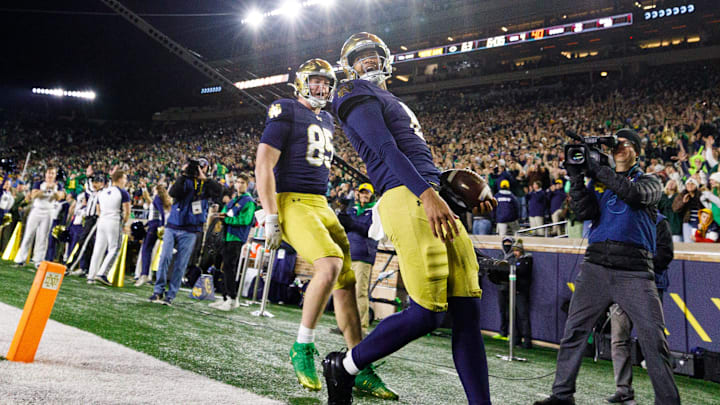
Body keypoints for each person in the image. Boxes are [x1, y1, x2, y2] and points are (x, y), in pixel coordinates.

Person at [323, 32, 492, 405]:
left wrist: (450, 185)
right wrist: (427, 194)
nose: (368, 61)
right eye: (360, 57)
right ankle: (346, 366)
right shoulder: (351, 91)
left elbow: (413, 155)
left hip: (427, 192)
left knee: (467, 310)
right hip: (407, 196)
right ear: (349, 66)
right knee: (428, 312)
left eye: (373, 55)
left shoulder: (392, 98)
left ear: (386, 59)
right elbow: (384, 149)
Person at [254, 58, 394, 399]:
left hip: (321, 202)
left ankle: (358, 364)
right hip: (293, 200)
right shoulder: (284, 108)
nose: (322, 88)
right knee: (329, 265)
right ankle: (302, 346)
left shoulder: (327, 118)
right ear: (302, 82)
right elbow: (263, 162)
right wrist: (271, 214)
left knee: (345, 282)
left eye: (326, 83)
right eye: (315, 81)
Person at [535, 128, 680, 405]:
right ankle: (562, 395)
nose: (619, 147)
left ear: (637, 151)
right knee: (574, 331)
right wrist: (577, 178)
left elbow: (633, 194)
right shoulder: (599, 182)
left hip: (634, 270)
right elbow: (585, 212)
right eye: (617, 144)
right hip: (596, 265)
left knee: (653, 339)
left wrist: (598, 170)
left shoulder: (651, 181)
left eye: (626, 144)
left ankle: (669, 402)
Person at [607, 212, 674, 404]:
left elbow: (665, 255)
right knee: (618, 339)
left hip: (648, 286)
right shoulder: (620, 219)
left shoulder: (660, 222)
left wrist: (636, 263)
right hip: (621, 286)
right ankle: (623, 389)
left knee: (654, 342)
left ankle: (664, 396)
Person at [150, 159, 222, 305]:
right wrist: (183, 174)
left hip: (191, 229)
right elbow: (173, 192)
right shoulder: (184, 180)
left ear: (207, 168)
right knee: (164, 258)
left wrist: (205, 178)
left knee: (181, 263)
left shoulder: (207, 184)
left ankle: (170, 295)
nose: (198, 170)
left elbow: (219, 191)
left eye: (202, 167)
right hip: (173, 225)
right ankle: (158, 290)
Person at [209, 173, 256, 311]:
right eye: (238, 182)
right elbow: (225, 212)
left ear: (247, 185)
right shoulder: (235, 199)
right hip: (226, 236)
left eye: (242, 182)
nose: (239, 184)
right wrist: (220, 215)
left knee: (230, 267)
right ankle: (225, 297)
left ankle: (232, 298)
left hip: (236, 237)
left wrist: (227, 219)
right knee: (225, 267)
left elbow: (245, 220)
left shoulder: (248, 201)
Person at [337, 182, 378, 334]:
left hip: (363, 256)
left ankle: (361, 327)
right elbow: (345, 227)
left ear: (371, 195)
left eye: (367, 193)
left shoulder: (375, 211)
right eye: (362, 192)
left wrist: (351, 223)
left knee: (360, 292)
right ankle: (344, 325)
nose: (364, 195)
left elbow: (369, 230)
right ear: (358, 194)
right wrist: (341, 215)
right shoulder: (352, 210)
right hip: (348, 254)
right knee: (345, 291)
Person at [14, 167, 63, 268]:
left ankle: (38, 260)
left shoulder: (58, 185)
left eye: (52, 173)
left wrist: (53, 190)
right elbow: (34, 195)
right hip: (37, 210)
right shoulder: (39, 183)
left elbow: (59, 197)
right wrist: (45, 189)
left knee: (43, 237)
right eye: (49, 173)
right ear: (45, 174)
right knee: (28, 234)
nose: (50, 175)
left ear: (55, 175)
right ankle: (21, 258)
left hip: (49, 211)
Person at [87, 170, 130, 285]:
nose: (126, 181)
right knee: (114, 248)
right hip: (114, 220)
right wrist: (124, 223)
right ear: (120, 179)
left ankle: (91, 275)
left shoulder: (103, 191)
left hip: (102, 220)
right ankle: (102, 273)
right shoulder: (123, 193)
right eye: (125, 178)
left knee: (98, 248)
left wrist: (103, 217)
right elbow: (127, 211)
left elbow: (98, 208)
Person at [135, 184, 171, 287]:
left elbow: (161, 213)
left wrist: (162, 225)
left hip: (154, 225)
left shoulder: (157, 198)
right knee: (148, 250)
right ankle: (145, 274)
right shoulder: (161, 199)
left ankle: (144, 274)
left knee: (146, 249)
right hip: (154, 224)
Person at [672, 178, 703, 242]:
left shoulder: (701, 195)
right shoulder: (682, 195)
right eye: (688, 184)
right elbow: (675, 208)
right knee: (688, 241)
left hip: (700, 222)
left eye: (692, 184)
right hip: (687, 222)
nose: (690, 186)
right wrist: (683, 202)